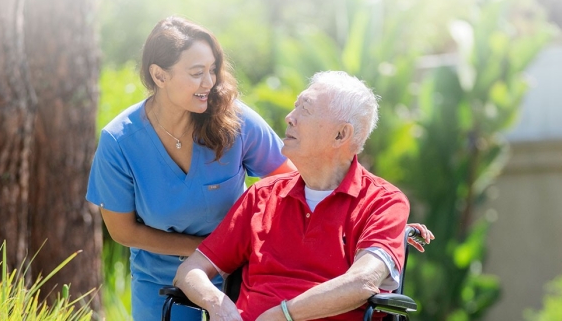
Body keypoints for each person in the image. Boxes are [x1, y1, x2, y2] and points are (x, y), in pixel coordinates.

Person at [87, 17, 432, 320]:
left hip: (237, 278)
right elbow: (124, 232)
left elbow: (305, 183)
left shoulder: (234, 122)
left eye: (212, 70)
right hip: (167, 277)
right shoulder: (121, 141)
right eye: (196, 73)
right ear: (159, 76)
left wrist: (384, 221)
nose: (209, 82)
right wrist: (220, 260)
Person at [172, 71, 434, 321]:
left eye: (304, 109)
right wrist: (219, 305)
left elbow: (362, 282)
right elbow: (189, 271)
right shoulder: (261, 196)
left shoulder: (383, 202)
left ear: (341, 134)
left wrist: (283, 315)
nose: (289, 117)